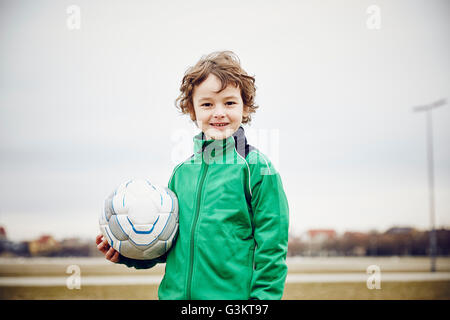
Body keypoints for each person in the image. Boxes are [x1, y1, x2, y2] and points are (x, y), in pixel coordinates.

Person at [96, 51, 289, 300]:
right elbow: (168, 247)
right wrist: (127, 254)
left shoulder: (257, 169)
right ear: (192, 109)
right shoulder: (181, 173)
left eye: (229, 103)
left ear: (245, 106)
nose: (218, 112)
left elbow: (272, 249)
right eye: (207, 104)